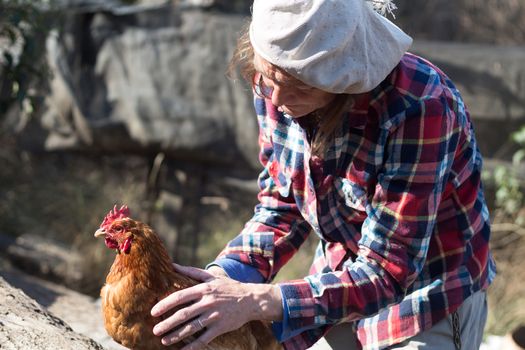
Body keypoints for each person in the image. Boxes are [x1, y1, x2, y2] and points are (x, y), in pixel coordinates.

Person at [150, 0, 496, 349]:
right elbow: (281, 206)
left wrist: (256, 301)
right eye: (269, 77)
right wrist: (225, 278)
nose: (279, 99)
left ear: (345, 78)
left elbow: (388, 270)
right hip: (341, 273)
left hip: (428, 290)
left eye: (301, 86)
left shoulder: (419, 108)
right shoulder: (274, 88)